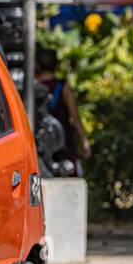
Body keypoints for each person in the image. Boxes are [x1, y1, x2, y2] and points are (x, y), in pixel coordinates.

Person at [33, 47, 90, 175]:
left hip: (38, 141)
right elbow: (74, 116)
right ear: (56, 66)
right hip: (63, 141)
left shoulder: (30, 88)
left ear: (37, 65)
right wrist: (83, 140)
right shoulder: (62, 86)